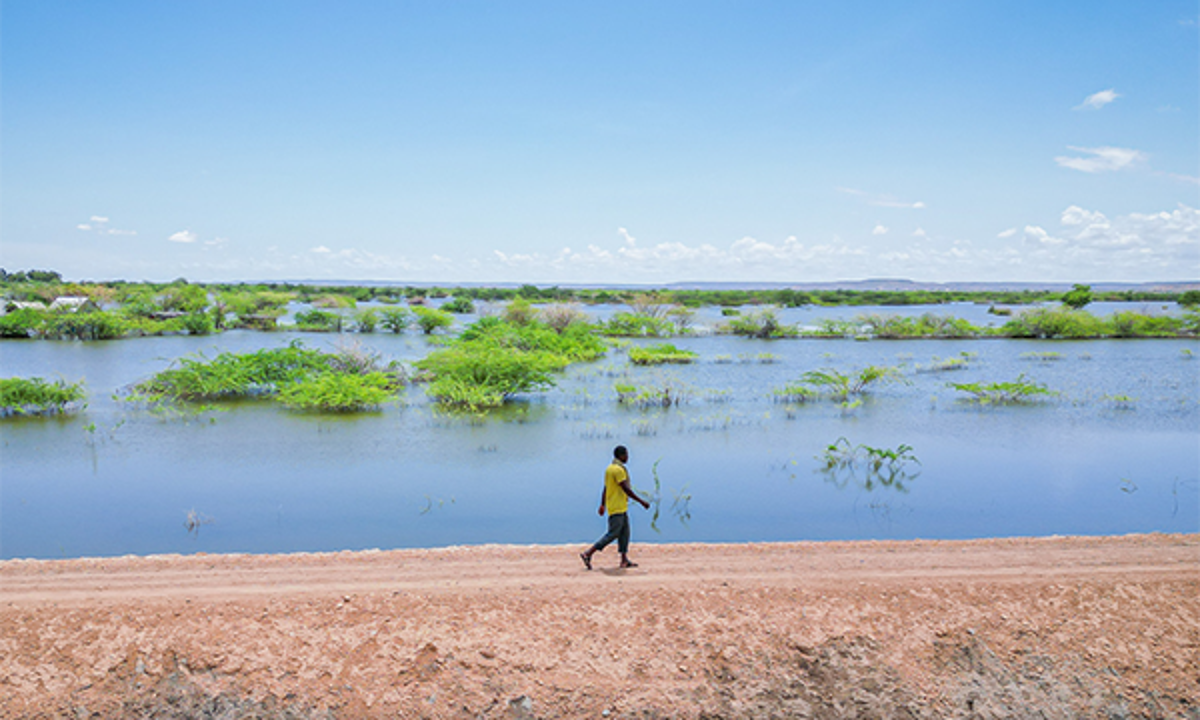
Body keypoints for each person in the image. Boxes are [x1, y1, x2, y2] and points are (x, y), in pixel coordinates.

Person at [580, 445, 650, 570]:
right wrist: (641, 501)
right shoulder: (618, 470)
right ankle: (588, 553)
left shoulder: (609, 469)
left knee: (625, 533)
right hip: (617, 507)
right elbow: (626, 489)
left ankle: (624, 560)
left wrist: (602, 504)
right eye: (626, 455)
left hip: (619, 506)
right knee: (613, 533)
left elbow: (606, 488)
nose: (628, 457)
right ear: (621, 456)